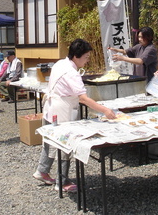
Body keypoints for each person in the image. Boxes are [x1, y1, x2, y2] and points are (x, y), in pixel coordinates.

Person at [33, 39, 116, 193]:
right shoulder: (72, 73)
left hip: (51, 108)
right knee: (65, 146)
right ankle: (62, 181)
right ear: (76, 56)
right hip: (62, 111)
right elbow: (83, 98)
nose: (88, 60)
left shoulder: (60, 63)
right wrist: (105, 110)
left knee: (49, 142)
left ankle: (42, 171)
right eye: (86, 57)